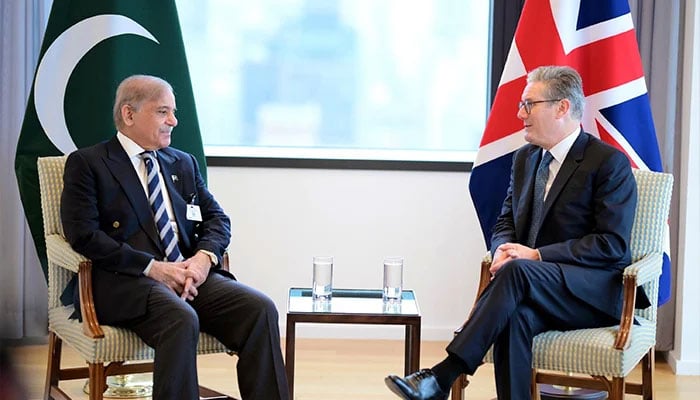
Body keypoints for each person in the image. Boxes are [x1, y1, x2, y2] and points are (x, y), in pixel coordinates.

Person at [385, 65, 641, 400]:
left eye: (529, 104)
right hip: (531, 287)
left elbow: (612, 244)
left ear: (562, 107)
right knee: (514, 315)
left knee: (519, 272)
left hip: (591, 292)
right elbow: (505, 220)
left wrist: (536, 256)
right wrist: (503, 247)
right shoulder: (525, 159)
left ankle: (442, 376)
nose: (520, 114)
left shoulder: (608, 163)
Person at [60, 75, 289, 400]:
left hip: (188, 277)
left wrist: (202, 259)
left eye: (173, 112)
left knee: (259, 309)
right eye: (163, 112)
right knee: (180, 318)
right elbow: (82, 235)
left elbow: (217, 219)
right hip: (127, 282)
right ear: (129, 114)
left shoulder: (182, 162)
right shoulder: (88, 163)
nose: (174, 121)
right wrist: (153, 268)